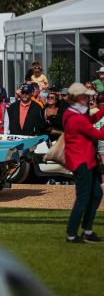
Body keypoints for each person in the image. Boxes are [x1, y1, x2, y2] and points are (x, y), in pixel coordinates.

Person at [63, 82, 104, 243]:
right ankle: (72, 235)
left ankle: (86, 231)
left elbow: (92, 119)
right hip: (82, 162)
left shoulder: (73, 113)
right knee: (83, 198)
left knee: (95, 194)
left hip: (84, 161)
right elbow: (98, 134)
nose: (89, 98)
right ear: (80, 98)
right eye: (86, 96)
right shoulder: (76, 117)